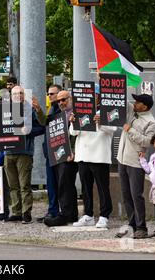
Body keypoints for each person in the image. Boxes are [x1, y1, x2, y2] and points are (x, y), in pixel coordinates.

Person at [70, 85, 116, 228]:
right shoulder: (80, 110)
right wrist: (73, 121)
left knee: (103, 188)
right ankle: (88, 214)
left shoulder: (107, 109)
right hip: (83, 155)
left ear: (98, 96)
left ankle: (104, 215)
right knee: (85, 187)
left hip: (99, 155)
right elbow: (73, 132)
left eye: (93, 94)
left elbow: (113, 128)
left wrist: (100, 121)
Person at [116, 93, 155, 239]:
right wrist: (104, 79)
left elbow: (148, 142)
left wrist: (130, 130)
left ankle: (142, 228)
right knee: (126, 195)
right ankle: (131, 225)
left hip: (135, 163)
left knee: (136, 196)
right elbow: (121, 99)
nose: (134, 102)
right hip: (122, 160)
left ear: (144, 106)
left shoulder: (151, 122)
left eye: (138, 101)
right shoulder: (132, 112)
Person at [2, 85, 45, 224]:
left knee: (24, 185)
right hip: (8, 151)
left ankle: (26, 213)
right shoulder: (4, 110)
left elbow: (42, 127)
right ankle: (16, 212)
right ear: (11, 96)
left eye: (21, 93)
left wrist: (29, 130)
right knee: (13, 185)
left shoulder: (29, 110)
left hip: (24, 152)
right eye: (15, 93)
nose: (18, 95)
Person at [44, 90, 79, 227]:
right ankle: (70, 214)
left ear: (71, 98)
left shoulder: (76, 113)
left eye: (64, 99)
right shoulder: (59, 115)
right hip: (60, 154)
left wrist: (74, 151)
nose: (61, 103)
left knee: (65, 184)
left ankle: (65, 214)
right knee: (64, 184)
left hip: (72, 155)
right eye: (59, 101)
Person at [37, 84, 62, 223]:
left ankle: (61, 211)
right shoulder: (51, 108)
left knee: (61, 184)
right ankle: (52, 210)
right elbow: (44, 125)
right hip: (50, 152)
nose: (49, 96)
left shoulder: (61, 109)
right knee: (51, 184)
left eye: (52, 94)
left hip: (60, 153)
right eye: (48, 94)